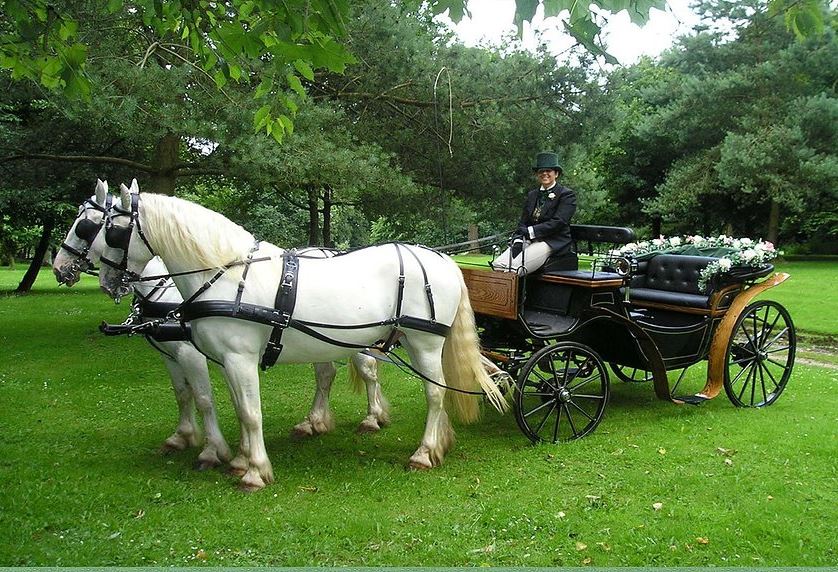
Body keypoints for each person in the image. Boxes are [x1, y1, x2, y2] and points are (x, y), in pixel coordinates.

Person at [492, 151, 577, 274]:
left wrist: (530, 231)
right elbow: (523, 221)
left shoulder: (566, 195)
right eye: (541, 171)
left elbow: (559, 222)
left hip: (551, 241)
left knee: (514, 269)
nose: (544, 174)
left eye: (548, 171)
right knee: (498, 265)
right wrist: (518, 238)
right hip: (529, 239)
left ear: (556, 174)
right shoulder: (532, 195)